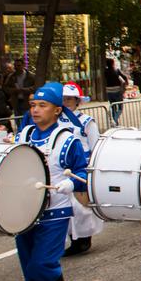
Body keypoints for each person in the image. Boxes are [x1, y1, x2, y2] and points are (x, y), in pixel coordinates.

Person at [14, 82, 89, 281]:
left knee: (43, 262)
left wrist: (71, 183)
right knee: (29, 264)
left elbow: (83, 172)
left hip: (55, 210)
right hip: (25, 210)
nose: (35, 110)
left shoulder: (67, 139)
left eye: (42, 105)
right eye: (33, 105)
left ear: (57, 110)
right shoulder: (23, 136)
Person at [61, 82, 103, 257]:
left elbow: (95, 146)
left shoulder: (86, 122)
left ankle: (84, 239)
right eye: (63, 99)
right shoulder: (55, 122)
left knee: (80, 207)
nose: (66, 102)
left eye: (70, 99)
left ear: (77, 101)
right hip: (62, 169)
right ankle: (72, 238)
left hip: (81, 168)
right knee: (64, 205)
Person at [104, 58, 129, 125]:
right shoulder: (116, 71)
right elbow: (124, 77)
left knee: (113, 106)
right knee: (120, 107)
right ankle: (115, 120)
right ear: (113, 63)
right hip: (117, 91)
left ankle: (115, 121)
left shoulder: (105, 72)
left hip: (109, 91)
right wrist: (126, 83)